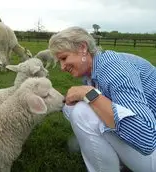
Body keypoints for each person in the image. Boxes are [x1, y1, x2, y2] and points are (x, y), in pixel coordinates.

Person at [48, 26, 156, 172]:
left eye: (64, 58)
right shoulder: (92, 73)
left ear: (83, 48)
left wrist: (89, 94)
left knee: (82, 112)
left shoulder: (112, 68)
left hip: (149, 144)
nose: (61, 67)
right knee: (71, 108)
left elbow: (146, 137)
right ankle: (118, 163)